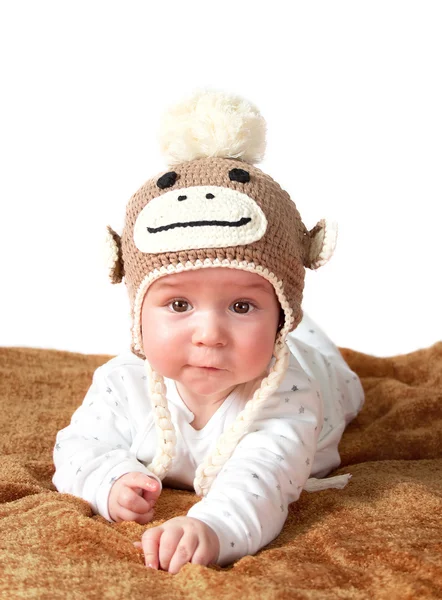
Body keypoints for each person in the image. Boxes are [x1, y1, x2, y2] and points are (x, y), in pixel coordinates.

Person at [52, 89, 365, 575]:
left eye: (242, 305)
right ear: (138, 313)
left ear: (282, 314)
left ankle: (311, 343)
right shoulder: (122, 382)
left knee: (343, 383)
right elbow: (77, 447)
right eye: (179, 304)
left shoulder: (290, 395)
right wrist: (109, 480)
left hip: (316, 367)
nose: (210, 334)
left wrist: (212, 528)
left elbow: (261, 479)